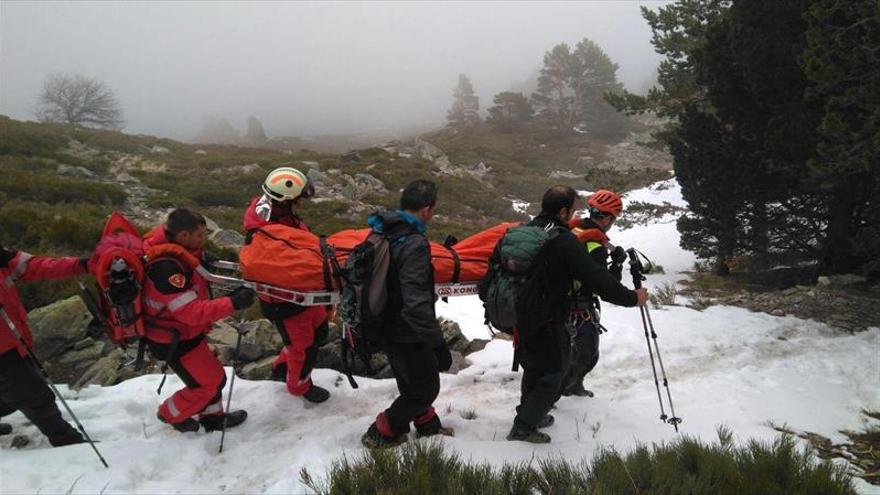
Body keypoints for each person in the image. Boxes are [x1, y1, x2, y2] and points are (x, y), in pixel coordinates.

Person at [505, 186, 648, 443]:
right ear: (563, 211)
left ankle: (531, 414)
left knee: (536, 368)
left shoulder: (527, 230)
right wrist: (632, 298)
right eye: (572, 209)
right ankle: (524, 427)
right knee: (554, 372)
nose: (576, 214)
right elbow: (598, 282)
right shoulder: (565, 240)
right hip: (549, 315)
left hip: (523, 311)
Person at [360, 179, 454, 448]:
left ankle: (426, 425)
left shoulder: (382, 229)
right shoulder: (413, 243)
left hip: (383, 322)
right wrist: (438, 344)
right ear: (426, 209)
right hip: (406, 330)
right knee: (425, 389)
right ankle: (382, 431)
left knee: (409, 379)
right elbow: (416, 303)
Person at [143, 208, 254, 433]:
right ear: (183, 235)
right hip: (172, 339)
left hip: (185, 334)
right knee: (206, 384)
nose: (204, 239)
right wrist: (233, 303)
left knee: (215, 379)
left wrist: (201, 258)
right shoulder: (166, 269)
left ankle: (212, 418)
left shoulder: (176, 248)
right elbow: (190, 312)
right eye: (200, 235)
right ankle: (170, 413)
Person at [242, 166, 331, 404]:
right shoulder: (268, 234)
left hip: (301, 295)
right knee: (303, 348)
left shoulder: (278, 217)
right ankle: (298, 386)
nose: (301, 203)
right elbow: (288, 265)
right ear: (286, 201)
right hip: (285, 301)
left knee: (320, 331)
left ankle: (283, 366)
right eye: (299, 199)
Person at [0, 244, 89, 446]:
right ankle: (66, 440)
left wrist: (80, 264)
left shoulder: (3, 257)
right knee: (34, 394)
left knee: (11, 392)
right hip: (4, 350)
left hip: (14, 340)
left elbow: (37, 266)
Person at [562, 189, 628, 398]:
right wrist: (617, 264)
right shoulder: (594, 244)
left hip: (563, 300)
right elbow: (605, 284)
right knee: (587, 354)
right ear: (608, 218)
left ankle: (569, 386)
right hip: (579, 306)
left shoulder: (575, 230)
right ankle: (563, 388)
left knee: (574, 351)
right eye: (613, 219)